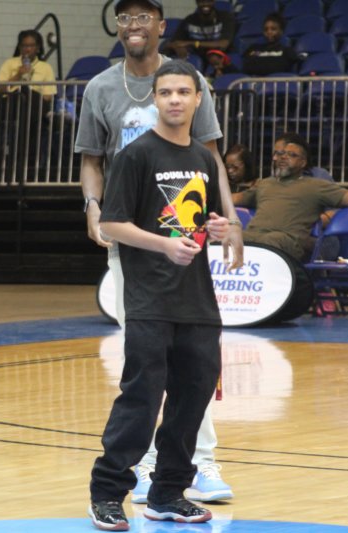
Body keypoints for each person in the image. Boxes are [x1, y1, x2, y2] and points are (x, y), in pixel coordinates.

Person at [76, 0, 243, 507]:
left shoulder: (190, 91)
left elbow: (210, 160)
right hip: (136, 247)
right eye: (126, 17)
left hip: (187, 259)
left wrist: (229, 221)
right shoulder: (102, 92)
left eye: (143, 17)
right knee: (145, 370)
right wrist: (93, 208)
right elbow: (91, 161)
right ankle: (134, 472)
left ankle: (193, 466)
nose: (134, 25)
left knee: (196, 372)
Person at [234, 133, 348, 262]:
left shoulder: (316, 185)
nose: (284, 157)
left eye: (292, 155)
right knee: (225, 238)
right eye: (281, 154)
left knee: (269, 240)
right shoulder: (265, 184)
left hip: (289, 241)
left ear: (303, 163)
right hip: (256, 236)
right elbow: (234, 199)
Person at [0, 30, 56, 181]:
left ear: (38, 48)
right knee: (21, 93)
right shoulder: (10, 64)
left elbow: (48, 96)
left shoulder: (45, 67)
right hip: (12, 104)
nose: (27, 49)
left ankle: (27, 160)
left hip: (35, 107)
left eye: (31, 46)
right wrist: (18, 75)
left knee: (29, 94)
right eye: (24, 46)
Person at [164, 0, 236, 69]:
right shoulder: (189, 20)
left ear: (213, 1)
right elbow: (173, 43)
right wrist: (177, 48)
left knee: (215, 58)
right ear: (197, 2)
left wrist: (192, 43)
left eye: (208, 1)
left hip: (218, 56)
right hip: (197, 56)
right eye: (201, 1)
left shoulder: (225, 17)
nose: (205, 4)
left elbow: (223, 44)